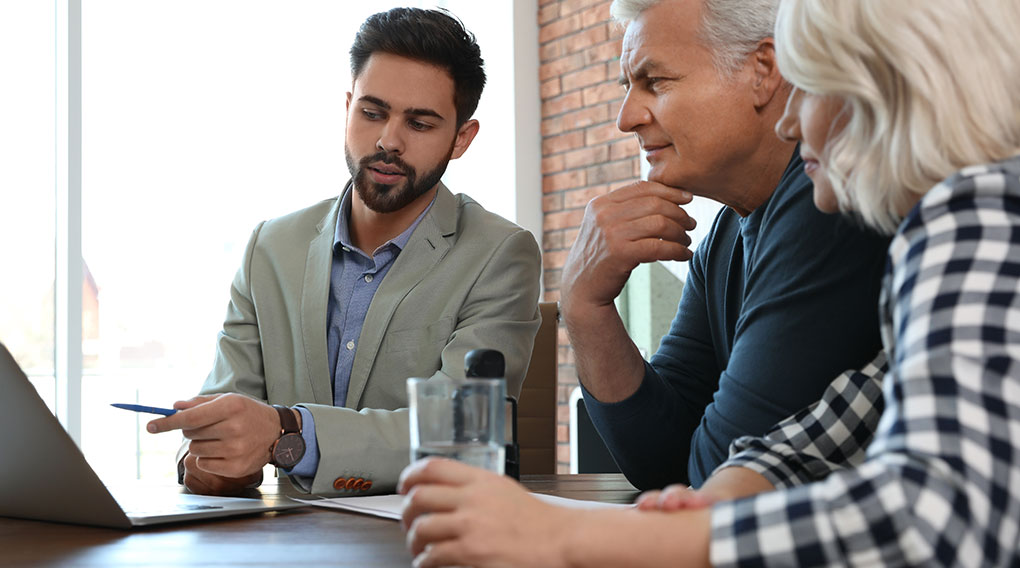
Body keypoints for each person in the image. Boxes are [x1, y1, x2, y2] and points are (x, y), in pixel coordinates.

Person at [399, 0, 1020, 565]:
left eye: (815, 85)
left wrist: (572, 537)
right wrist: (586, 306)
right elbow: (840, 413)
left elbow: (938, 518)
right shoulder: (734, 228)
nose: (791, 120)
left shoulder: (961, 213)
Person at [146, 7, 542, 497]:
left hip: (422, 540)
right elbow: (227, 406)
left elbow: (463, 433)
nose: (387, 141)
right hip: (283, 543)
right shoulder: (268, 248)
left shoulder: (500, 255)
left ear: (461, 138)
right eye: (372, 113)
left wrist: (287, 431)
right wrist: (212, 457)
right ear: (349, 105)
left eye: (419, 124)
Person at [560, 0, 888, 489]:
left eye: (656, 81)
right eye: (628, 86)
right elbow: (663, 462)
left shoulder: (829, 204)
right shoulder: (727, 232)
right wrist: (584, 307)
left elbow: (717, 476)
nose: (626, 118)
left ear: (763, 71)